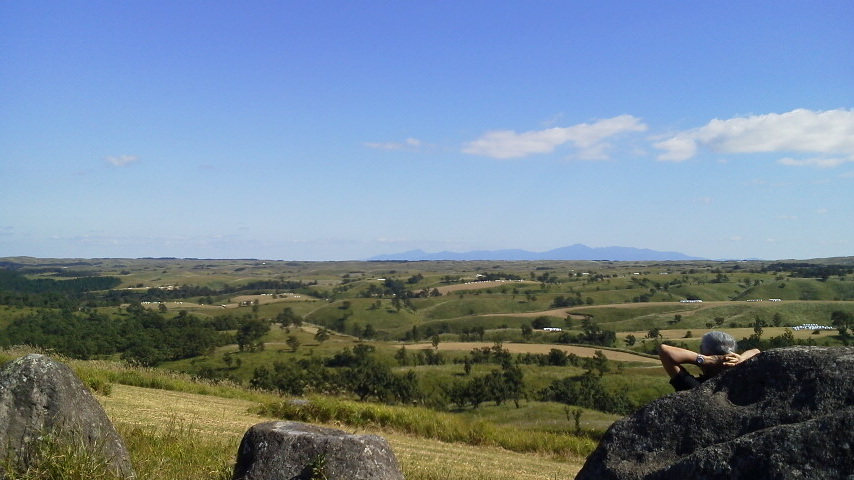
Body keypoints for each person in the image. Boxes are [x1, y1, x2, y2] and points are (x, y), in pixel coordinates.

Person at [658, 331, 760, 391]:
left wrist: (708, 360)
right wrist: (741, 360)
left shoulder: (695, 387)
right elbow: (756, 351)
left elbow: (664, 351)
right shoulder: (740, 379)